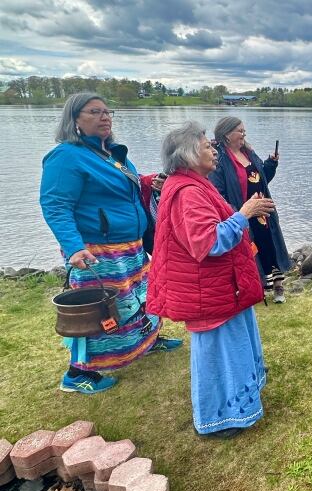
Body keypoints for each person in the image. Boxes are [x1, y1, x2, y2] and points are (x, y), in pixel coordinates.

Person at [39, 92, 180, 395]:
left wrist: (147, 181)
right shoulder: (66, 156)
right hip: (96, 251)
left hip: (130, 246)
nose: (105, 117)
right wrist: (74, 246)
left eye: (107, 111)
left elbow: (123, 187)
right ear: (75, 120)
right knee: (98, 310)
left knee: (139, 298)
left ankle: (146, 343)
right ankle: (77, 374)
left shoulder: (111, 154)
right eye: (94, 112)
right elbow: (55, 204)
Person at [147, 121, 275, 438]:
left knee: (234, 348)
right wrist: (243, 214)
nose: (213, 150)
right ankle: (220, 419)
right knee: (220, 355)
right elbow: (208, 243)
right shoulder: (188, 193)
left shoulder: (194, 184)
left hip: (220, 286)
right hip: (210, 289)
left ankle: (238, 405)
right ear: (190, 154)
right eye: (207, 146)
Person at [209, 116, 291, 303]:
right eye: (240, 131)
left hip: (263, 211)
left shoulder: (249, 153)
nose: (244, 134)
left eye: (244, 130)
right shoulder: (219, 160)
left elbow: (261, 179)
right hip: (243, 213)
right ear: (227, 134)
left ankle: (278, 287)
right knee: (252, 251)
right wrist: (236, 213)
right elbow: (218, 193)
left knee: (271, 246)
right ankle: (256, 287)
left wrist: (271, 164)